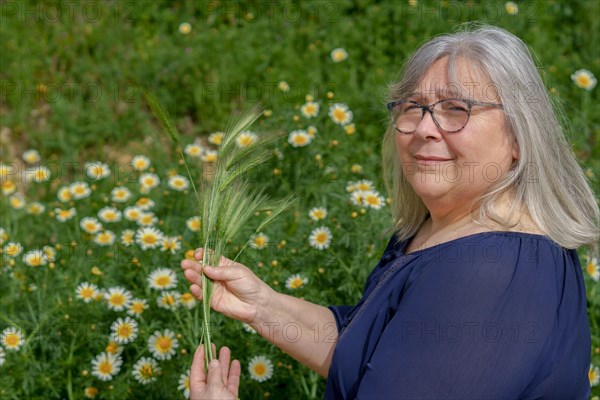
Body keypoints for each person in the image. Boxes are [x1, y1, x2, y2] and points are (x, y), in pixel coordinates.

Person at [181, 24, 599, 399]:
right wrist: (262, 306)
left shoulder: (489, 273)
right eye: (412, 107)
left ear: (519, 139)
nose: (423, 128)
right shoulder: (437, 233)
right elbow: (373, 356)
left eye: (457, 109)